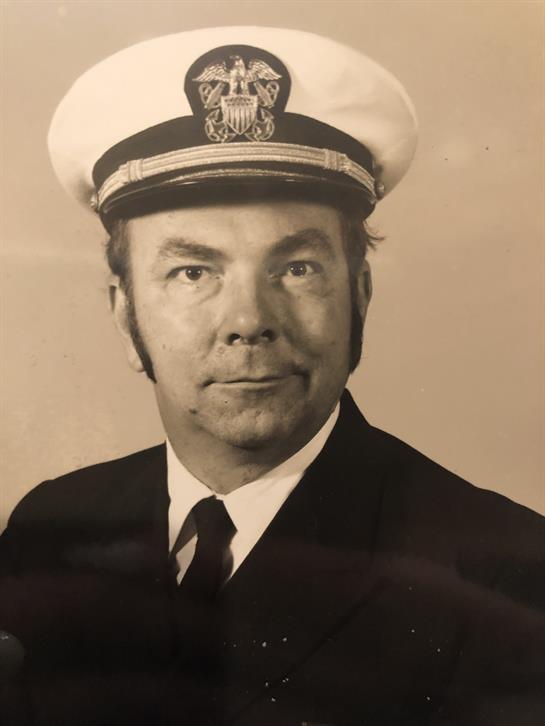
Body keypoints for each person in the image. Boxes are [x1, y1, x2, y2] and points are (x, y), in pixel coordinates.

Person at [1, 26, 543, 726]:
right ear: (124, 314)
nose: (248, 321)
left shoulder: (505, 571)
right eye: (192, 272)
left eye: (296, 268)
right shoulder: (49, 529)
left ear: (359, 297)